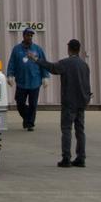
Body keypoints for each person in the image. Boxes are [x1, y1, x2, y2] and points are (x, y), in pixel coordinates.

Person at [29, 39, 92, 168]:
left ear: (69, 49)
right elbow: (87, 84)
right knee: (80, 131)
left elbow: (52, 68)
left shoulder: (66, 63)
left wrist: (36, 59)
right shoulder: (84, 65)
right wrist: (87, 99)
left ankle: (66, 158)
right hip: (81, 102)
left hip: (69, 102)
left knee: (66, 129)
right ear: (79, 49)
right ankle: (81, 158)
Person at [6, 27, 50, 131]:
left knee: (33, 104)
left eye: (31, 35)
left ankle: (30, 124)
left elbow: (43, 63)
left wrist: (45, 76)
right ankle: (27, 118)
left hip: (35, 82)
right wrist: (10, 75)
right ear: (23, 36)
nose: (30, 37)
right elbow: (12, 63)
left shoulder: (37, 49)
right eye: (28, 35)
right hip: (21, 82)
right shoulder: (16, 49)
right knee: (20, 102)